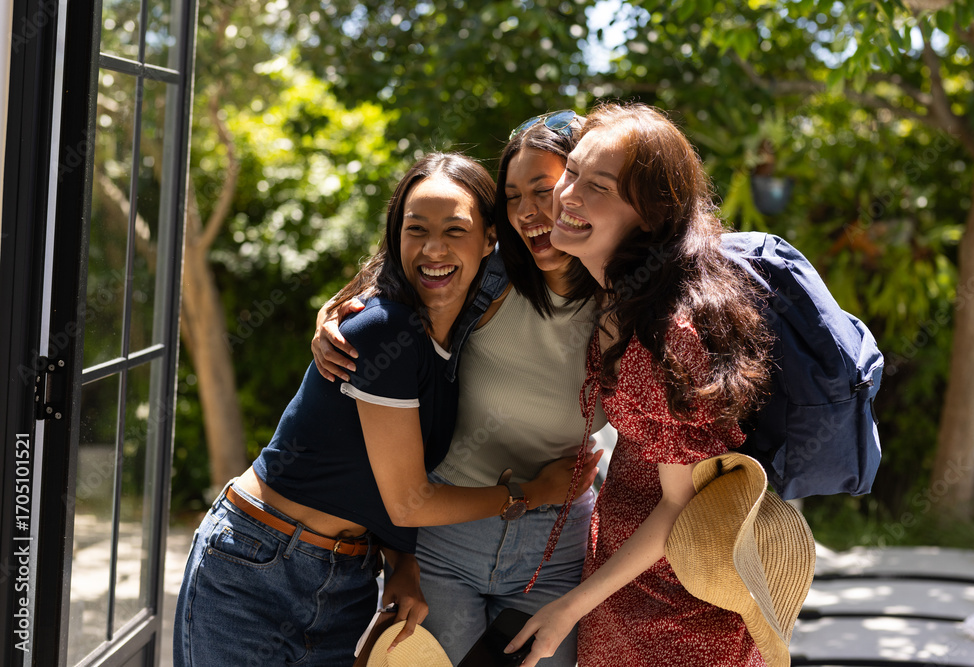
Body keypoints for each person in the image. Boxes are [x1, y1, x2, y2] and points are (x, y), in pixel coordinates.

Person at [174, 153, 598, 667]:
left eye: (454, 230)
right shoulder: (384, 329)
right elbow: (407, 503)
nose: (433, 249)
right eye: (415, 229)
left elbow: (386, 483)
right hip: (257, 562)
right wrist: (532, 493)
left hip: (348, 576)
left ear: (490, 239)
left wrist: (402, 562)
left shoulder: (448, 348)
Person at [312, 111, 607, 666]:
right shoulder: (491, 278)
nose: (527, 213)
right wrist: (332, 313)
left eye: (543, 190)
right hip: (448, 533)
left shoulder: (623, 300)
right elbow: (410, 271)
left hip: (555, 547)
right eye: (512, 197)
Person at [504, 102, 775, 666]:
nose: (567, 195)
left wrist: (569, 608)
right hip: (625, 585)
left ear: (650, 214)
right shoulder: (622, 294)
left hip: (677, 608)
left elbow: (679, 506)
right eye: (571, 172)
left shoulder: (666, 333)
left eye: (597, 185)